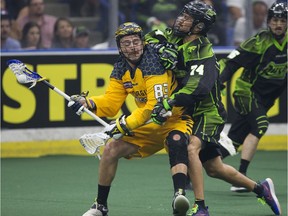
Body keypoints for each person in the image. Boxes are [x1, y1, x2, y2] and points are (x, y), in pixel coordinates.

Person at [145, 1, 282, 215]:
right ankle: (261, 189)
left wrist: (168, 102)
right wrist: (160, 46)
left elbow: (198, 88)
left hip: (208, 112)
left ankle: (200, 207)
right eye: (183, 14)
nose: (181, 19)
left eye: (188, 18)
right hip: (188, 112)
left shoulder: (202, 51)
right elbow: (151, 37)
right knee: (214, 169)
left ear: (198, 27)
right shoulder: (174, 35)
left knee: (191, 148)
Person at [68, 22, 194, 216]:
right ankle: (100, 206)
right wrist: (88, 102)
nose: (133, 47)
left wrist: (122, 124)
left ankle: (179, 197)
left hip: (174, 119)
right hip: (148, 125)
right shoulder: (120, 67)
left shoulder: (153, 61)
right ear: (120, 47)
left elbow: (154, 105)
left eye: (136, 42)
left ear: (143, 43)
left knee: (176, 141)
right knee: (110, 149)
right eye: (126, 43)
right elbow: (111, 103)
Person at [218, 1, 287, 193]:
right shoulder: (259, 42)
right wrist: (219, 82)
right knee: (261, 125)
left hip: (266, 99)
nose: (278, 24)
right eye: (275, 20)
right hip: (246, 92)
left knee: (233, 142)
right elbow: (231, 63)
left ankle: (194, 166)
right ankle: (241, 177)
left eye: (283, 20)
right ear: (268, 21)